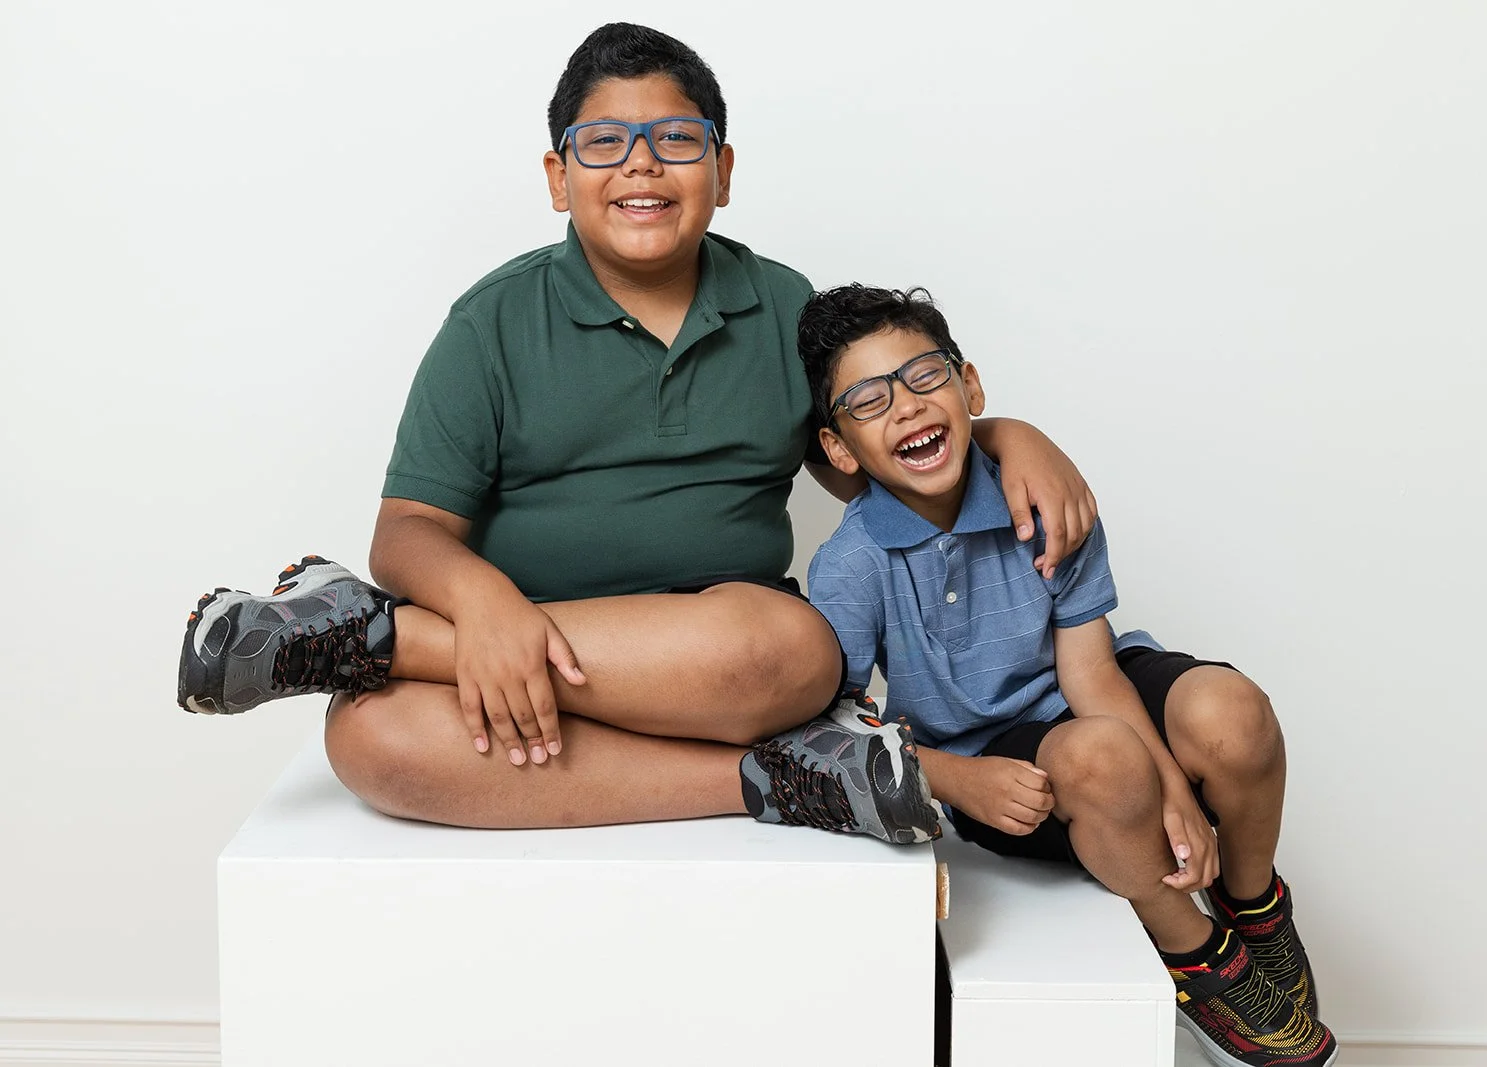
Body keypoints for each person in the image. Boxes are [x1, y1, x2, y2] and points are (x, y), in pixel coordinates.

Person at [175, 24, 1097, 842]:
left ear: (723, 172)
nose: (642, 165)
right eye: (606, 142)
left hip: (712, 659)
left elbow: (875, 455)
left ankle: (370, 635)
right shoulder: (492, 321)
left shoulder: (782, 306)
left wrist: (1008, 434)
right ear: (557, 177)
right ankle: (784, 777)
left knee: (797, 653)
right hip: (506, 666)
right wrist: (491, 611)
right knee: (369, 738)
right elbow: (408, 529)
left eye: (677, 140)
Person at [797, 283, 1337, 1067]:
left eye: (924, 376)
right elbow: (833, 721)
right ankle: (1193, 947)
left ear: (969, 386)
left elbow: (1091, 673)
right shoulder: (852, 563)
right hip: (993, 755)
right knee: (1102, 759)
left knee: (1235, 713)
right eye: (870, 399)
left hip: (1092, 688)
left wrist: (1179, 796)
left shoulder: (1043, 497)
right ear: (840, 448)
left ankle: (1252, 903)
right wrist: (952, 779)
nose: (908, 407)